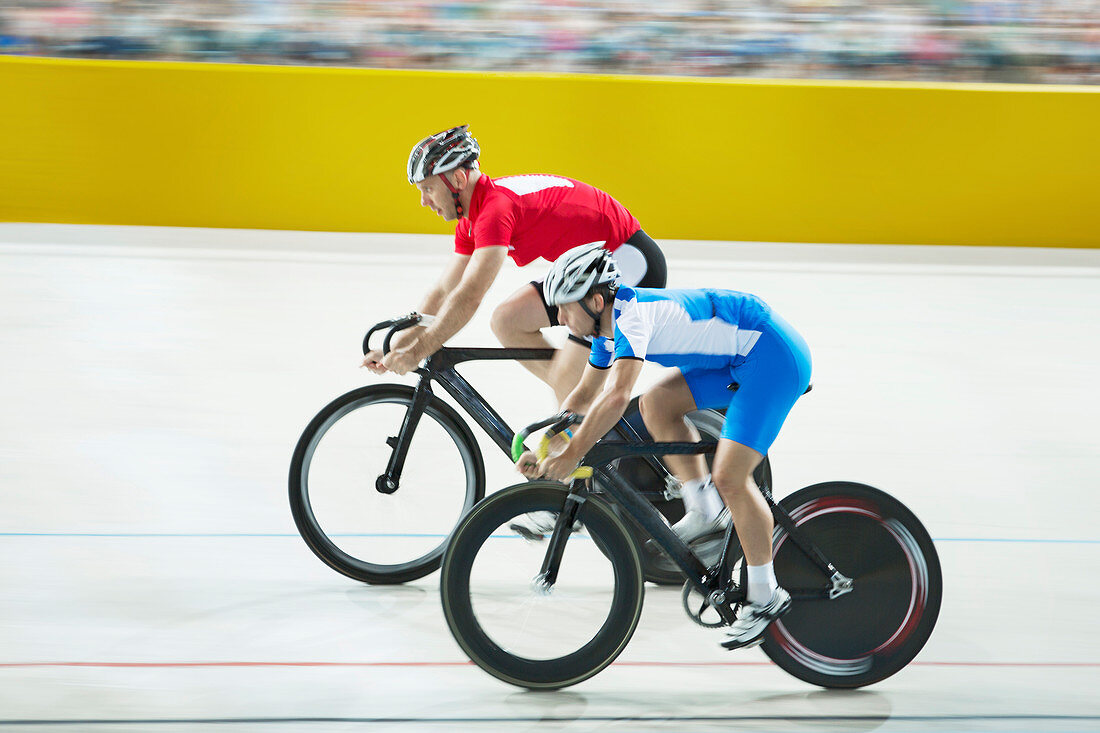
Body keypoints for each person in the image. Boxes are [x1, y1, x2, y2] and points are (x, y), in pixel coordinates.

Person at [515, 243, 812, 650]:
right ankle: (704, 507)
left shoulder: (631, 319)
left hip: (770, 357)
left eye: (565, 308)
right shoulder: (604, 329)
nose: (560, 319)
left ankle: (765, 595)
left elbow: (617, 397)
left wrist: (574, 454)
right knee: (657, 404)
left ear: (596, 300)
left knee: (731, 476)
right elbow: (583, 396)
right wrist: (548, 445)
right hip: (738, 354)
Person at [361, 125, 667, 407]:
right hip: (589, 272)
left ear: (457, 179)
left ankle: (592, 447)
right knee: (508, 321)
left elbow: (469, 295)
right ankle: (590, 410)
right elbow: (443, 291)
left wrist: (418, 351)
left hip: (629, 263)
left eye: (427, 188)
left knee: (568, 382)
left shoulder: (495, 211)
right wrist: (397, 349)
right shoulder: (472, 216)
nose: (424, 202)